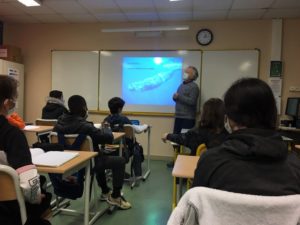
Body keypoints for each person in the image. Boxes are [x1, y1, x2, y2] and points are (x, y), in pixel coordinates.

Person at [193, 78, 300, 196]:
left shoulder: (210, 161)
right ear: (273, 114)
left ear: (229, 119)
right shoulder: (294, 165)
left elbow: (197, 206)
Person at [53, 95, 131, 209]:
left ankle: (105, 191)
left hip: (67, 163)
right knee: (119, 161)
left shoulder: (58, 125)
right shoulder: (86, 126)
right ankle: (115, 196)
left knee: (98, 155)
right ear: (84, 108)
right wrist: (106, 129)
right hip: (87, 164)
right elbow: (107, 138)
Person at [0, 75, 52, 225]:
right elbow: (30, 186)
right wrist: (36, 197)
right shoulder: (11, 135)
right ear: (7, 103)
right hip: (8, 211)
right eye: (14, 97)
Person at [162, 98, 228, 156]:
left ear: (205, 115)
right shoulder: (228, 138)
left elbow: (181, 138)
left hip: (197, 167)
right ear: (223, 116)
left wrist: (167, 135)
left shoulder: (196, 133)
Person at [167, 66, 200, 166]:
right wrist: (174, 98)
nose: (184, 73)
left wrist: (179, 97)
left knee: (187, 141)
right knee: (175, 139)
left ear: (193, 76)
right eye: (185, 71)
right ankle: (175, 160)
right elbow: (179, 99)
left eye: (187, 72)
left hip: (188, 118)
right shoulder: (181, 85)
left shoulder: (194, 87)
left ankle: (186, 162)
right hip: (178, 117)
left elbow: (192, 101)